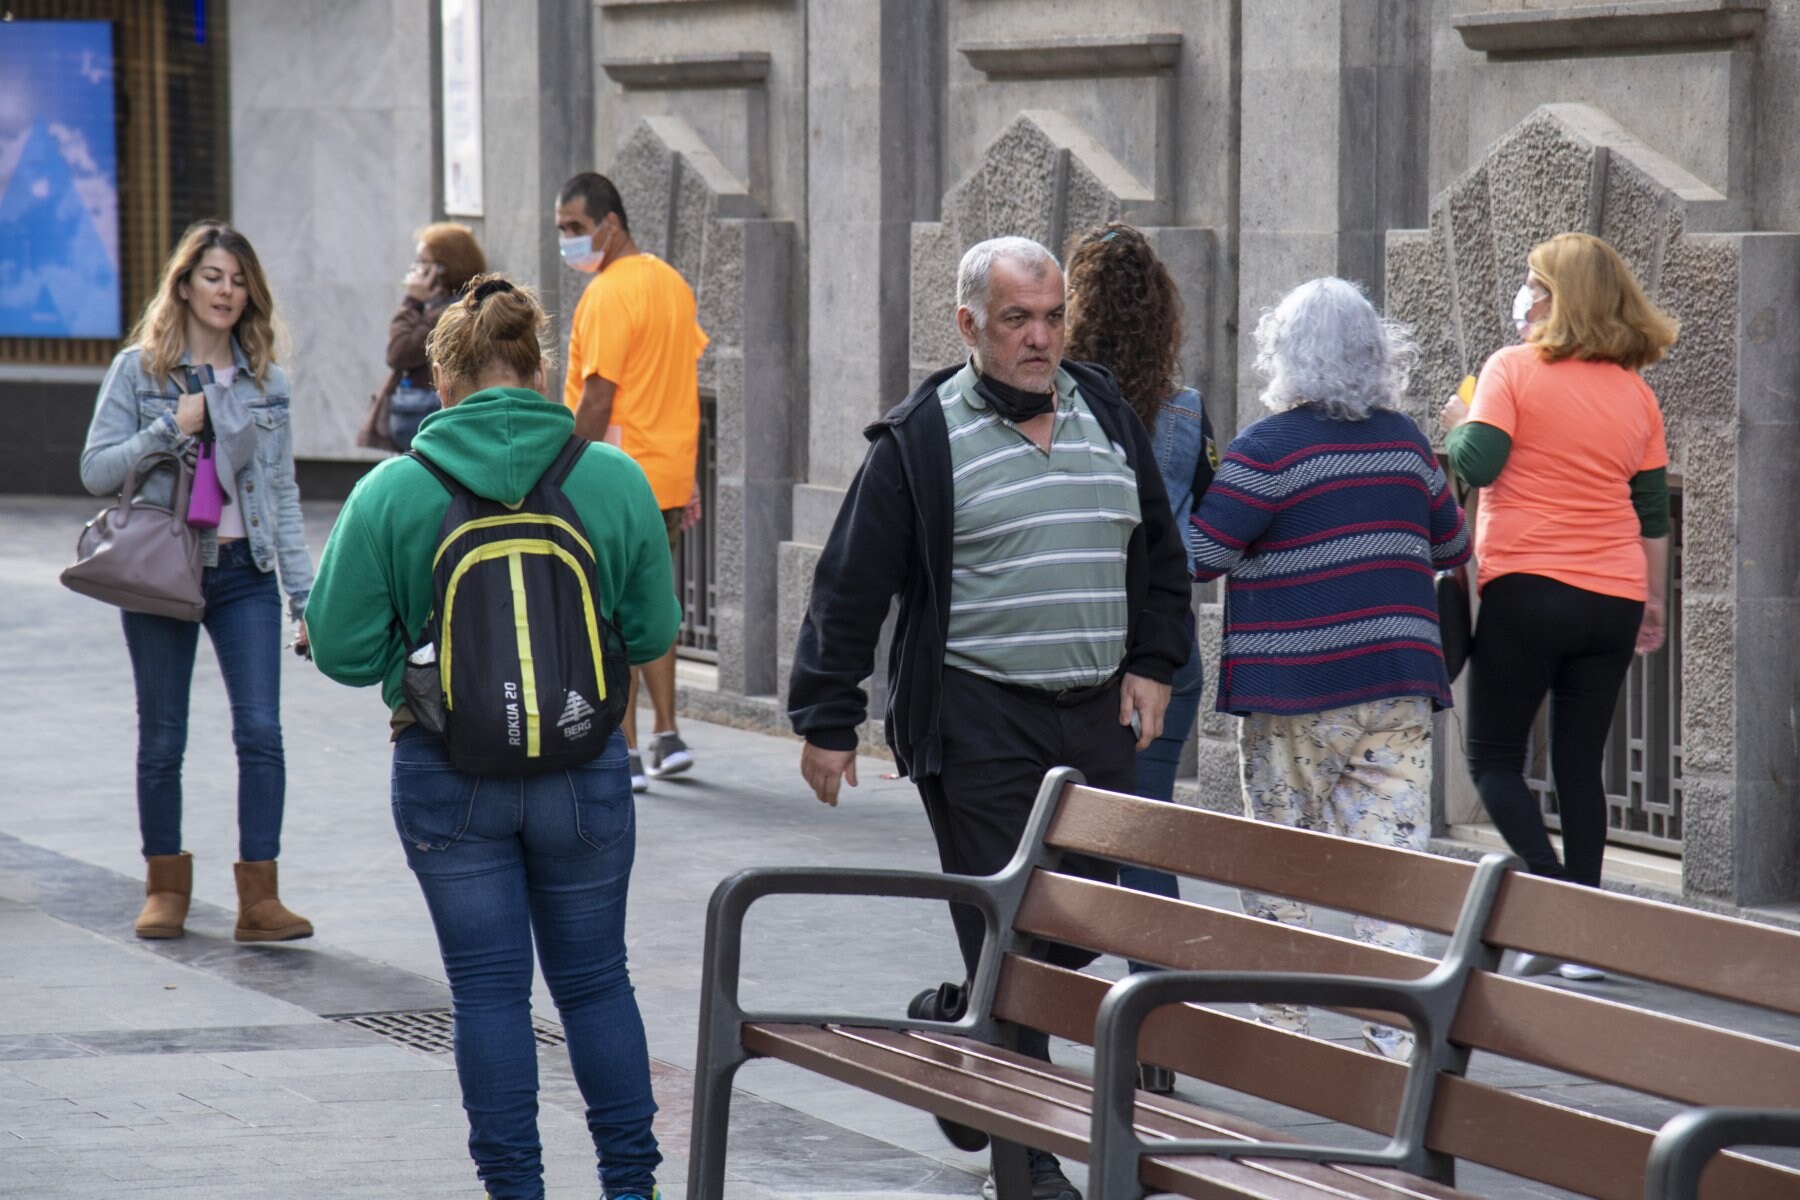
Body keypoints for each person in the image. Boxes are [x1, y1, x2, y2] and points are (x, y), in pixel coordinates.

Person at [788, 235, 1191, 1200]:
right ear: (970, 325)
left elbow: (1161, 556)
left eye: (1053, 317)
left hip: (1095, 716)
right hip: (977, 719)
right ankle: (1030, 1166)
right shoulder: (922, 438)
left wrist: (1153, 662)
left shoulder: (1106, 413)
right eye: (1017, 320)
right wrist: (827, 718)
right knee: (1013, 932)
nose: (1040, 338)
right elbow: (851, 584)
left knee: (1077, 921)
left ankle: (952, 1020)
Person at [306, 275, 678, 1200]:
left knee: (488, 995)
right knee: (597, 985)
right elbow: (656, 629)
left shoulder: (394, 491)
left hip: (446, 770)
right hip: (586, 766)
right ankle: (632, 1186)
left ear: (442, 372)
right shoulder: (610, 477)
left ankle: (516, 1190)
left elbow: (344, 653)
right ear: (540, 366)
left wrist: (419, 661)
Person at [1187, 277, 1469, 1058]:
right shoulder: (1407, 441)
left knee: (1283, 859)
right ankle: (1396, 1042)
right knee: (1390, 871)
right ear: (1377, 353)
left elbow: (1202, 558)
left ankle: (1285, 1036)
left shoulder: (1266, 449)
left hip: (1298, 694)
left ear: (1284, 353)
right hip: (1399, 689)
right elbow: (1453, 547)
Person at [1438, 232, 1675, 981]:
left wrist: (1455, 419)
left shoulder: (1510, 369)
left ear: (1560, 298)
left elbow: (1478, 464)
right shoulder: (1637, 392)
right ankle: (1585, 937)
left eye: (1535, 285)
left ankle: (1553, 906)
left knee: (1494, 758)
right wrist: (1654, 599)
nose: (1526, 297)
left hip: (1529, 587)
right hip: (1613, 594)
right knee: (1579, 761)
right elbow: (1651, 513)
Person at [79, 221, 315, 944]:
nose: (228, 292)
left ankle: (259, 899)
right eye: (214, 277)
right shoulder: (138, 373)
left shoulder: (265, 382)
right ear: (183, 284)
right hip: (164, 567)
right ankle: (165, 888)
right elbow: (94, 470)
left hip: (245, 573)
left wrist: (304, 600)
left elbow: (282, 496)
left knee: (262, 731)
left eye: (239, 281)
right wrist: (166, 431)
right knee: (163, 736)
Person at [1062, 222, 1214, 1094]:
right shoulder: (1187, 408)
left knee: (1062, 829)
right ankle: (1156, 1027)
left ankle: (1037, 1005)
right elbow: (1201, 525)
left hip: (1084, 646)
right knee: (1147, 827)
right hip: (1170, 646)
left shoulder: (1059, 400)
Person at [555, 171, 707, 792]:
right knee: (653, 605)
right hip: (666, 478)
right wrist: (689, 475)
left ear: (610, 224)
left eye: (575, 228)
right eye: (561, 229)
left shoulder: (607, 293)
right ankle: (667, 735)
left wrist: (563, 469)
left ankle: (625, 747)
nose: (568, 241)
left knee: (607, 615)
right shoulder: (670, 283)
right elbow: (680, 383)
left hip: (613, 478)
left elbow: (597, 395)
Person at [358, 221, 488, 452]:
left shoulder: (451, 312)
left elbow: (398, 352)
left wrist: (412, 300)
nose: (415, 270)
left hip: (429, 423)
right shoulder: (446, 306)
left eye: (422, 262)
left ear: (443, 267)